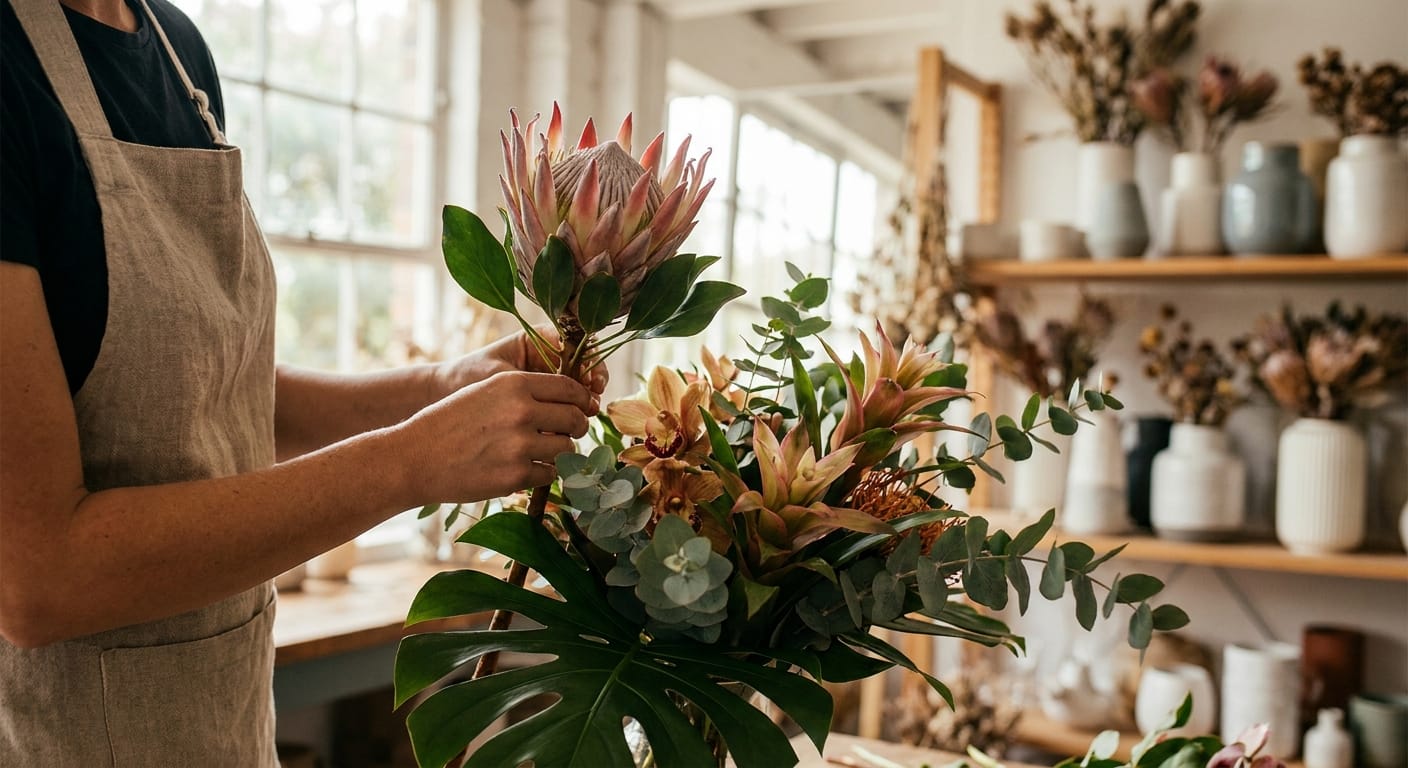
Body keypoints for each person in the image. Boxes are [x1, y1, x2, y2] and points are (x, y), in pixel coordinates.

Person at [0, 0, 602, 763]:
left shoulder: (179, 51)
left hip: (225, 720)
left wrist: (442, 386)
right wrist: (409, 461)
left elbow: (203, 389)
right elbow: (37, 578)